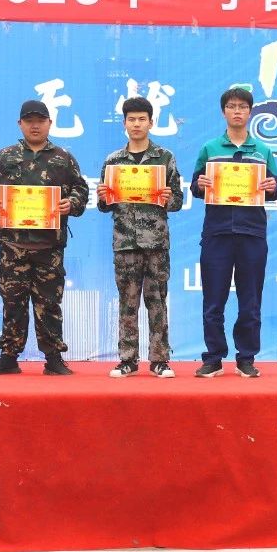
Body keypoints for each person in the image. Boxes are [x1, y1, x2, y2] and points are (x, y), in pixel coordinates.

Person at [0, 100, 89, 376]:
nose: (35, 126)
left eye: (40, 121)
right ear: (20, 124)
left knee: (49, 303)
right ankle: (8, 356)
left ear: (50, 123)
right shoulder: (5, 157)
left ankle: (53, 357)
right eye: (29, 121)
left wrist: (72, 202)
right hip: (12, 245)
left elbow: (81, 190)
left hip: (49, 245)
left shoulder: (63, 158)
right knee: (12, 302)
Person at [190, 87, 277, 378]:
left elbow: (276, 187)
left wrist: (272, 187)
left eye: (242, 106)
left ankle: (246, 357)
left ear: (250, 112)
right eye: (231, 106)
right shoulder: (210, 148)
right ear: (224, 112)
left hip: (252, 233)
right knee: (213, 300)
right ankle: (213, 358)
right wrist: (200, 184)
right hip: (217, 233)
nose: (237, 111)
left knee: (250, 300)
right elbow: (195, 186)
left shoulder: (263, 150)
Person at [96, 97, 184, 378]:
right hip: (125, 242)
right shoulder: (113, 161)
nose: (136, 124)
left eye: (142, 119)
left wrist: (168, 198)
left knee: (157, 301)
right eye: (131, 119)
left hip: (156, 242)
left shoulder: (164, 158)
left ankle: (160, 360)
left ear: (151, 122)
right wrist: (103, 197)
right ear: (124, 123)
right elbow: (104, 206)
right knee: (127, 302)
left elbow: (178, 201)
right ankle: (127, 359)